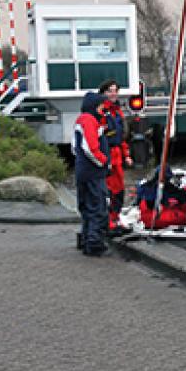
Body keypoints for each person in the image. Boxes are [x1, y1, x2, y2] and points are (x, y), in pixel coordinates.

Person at [72, 91, 110, 256]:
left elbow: (74, 147)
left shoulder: (80, 121)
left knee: (86, 207)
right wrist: (103, 161)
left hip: (83, 171)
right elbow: (90, 147)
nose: (103, 109)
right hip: (93, 172)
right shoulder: (89, 120)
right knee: (98, 207)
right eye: (101, 106)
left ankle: (86, 239)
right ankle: (94, 244)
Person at [98, 80, 133, 232]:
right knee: (109, 189)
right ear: (104, 93)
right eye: (110, 91)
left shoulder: (117, 111)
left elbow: (121, 137)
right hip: (107, 154)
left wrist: (127, 155)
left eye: (115, 91)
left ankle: (116, 216)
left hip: (118, 153)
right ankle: (108, 219)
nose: (113, 94)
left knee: (119, 189)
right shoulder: (101, 112)